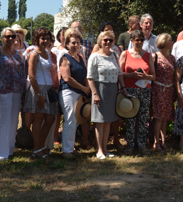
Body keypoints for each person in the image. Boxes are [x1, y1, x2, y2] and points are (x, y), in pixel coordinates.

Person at [0, 27, 26, 160]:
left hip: (16, 92)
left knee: (12, 122)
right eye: (7, 36)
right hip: (2, 92)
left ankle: (8, 151)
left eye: (12, 36)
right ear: (2, 38)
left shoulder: (18, 54)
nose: (10, 39)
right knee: (0, 122)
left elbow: (22, 74)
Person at [87, 30, 127, 159]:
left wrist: (123, 88)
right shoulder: (94, 56)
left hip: (112, 90)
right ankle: (99, 150)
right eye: (105, 40)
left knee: (108, 122)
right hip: (100, 89)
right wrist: (95, 94)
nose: (108, 42)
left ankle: (105, 148)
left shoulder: (114, 55)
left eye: (110, 40)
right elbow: (90, 77)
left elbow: (119, 73)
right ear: (100, 41)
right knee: (99, 122)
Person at [23, 28, 59, 159]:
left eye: (47, 39)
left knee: (50, 118)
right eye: (42, 38)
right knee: (38, 119)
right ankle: (37, 149)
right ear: (37, 40)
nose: (45, 41)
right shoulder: (33, 54)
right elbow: (31, 76)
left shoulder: (48, 53)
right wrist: (38, 95)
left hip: (49, 89)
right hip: (37, 88)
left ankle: (41, 146)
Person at [120, 30, 156, 155]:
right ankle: (130, 145)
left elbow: (154, 76)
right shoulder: (125, 54)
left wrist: (146, 76)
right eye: (137, 40)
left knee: (142, 118)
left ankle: (141, 144)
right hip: (130, 90)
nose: (139, 42)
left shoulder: (148, 55)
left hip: (145, 90)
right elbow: (119, 74)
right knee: (130, 118)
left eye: (141, 40)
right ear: (132, 40)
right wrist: (131, 75)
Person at [58, 29, 92, 159]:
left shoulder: (81, 57)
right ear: (67, 44)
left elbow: (86, 75)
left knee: (76, 120)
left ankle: (70, 148)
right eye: (73, 42)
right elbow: (67, 78)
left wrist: (87, 88)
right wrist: (83, 88)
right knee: (70, 120)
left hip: (79, 93)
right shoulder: (65, 58)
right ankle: (66, 151)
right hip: (68, 92)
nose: (75, 45)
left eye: (78, 42)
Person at [151, 33, 176, 152]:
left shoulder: (172, 58)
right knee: (158, 117)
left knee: (166, 117)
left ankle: (164, 140)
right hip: (158, 90)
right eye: (170, 41)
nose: (172, 43)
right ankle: (156, 141)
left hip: (169, 90)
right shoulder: (154, 56)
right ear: (164, 43)